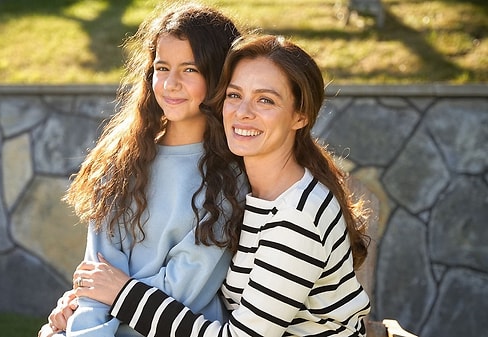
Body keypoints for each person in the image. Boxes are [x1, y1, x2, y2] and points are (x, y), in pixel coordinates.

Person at [72, 34, 372, 336]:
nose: (243, 112)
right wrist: (81, 303)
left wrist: (122, 295)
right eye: (234, 95)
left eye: (265, 100)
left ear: (300, 116)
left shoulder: (296, 218)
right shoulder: (254, 193)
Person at [36, 2, 246, 337]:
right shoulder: (122, 158)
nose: (171, 83)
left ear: (218, 76)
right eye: (162, 68)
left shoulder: (228, 178)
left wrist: (113, 292)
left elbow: (184, 290)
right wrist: (81, 329)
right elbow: (97, 273)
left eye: (190, 70)